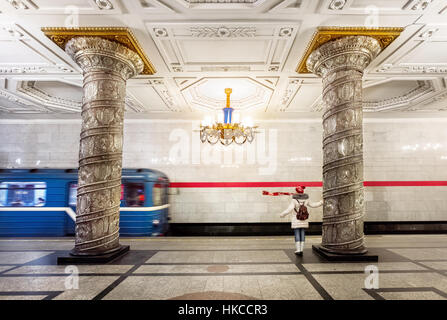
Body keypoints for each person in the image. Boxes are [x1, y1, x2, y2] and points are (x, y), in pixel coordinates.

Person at [279, 186, 323, 256]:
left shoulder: (294, 200)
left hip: (296, 219)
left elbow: (289, 209)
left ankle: (298, 249)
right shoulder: (306, 199)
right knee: (302, 233)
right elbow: (313, 205)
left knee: (297, 233)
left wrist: (283, 214)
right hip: (304, 219)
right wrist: (321, 202)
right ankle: (301, 249)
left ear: (296, 192)